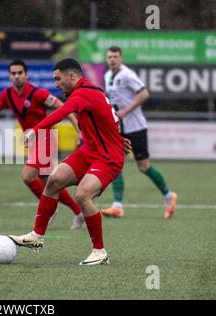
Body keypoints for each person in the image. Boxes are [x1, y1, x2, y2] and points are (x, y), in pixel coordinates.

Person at [9, 58, 127, 265]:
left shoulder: (83, 93)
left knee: (82, 194)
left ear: (71, 76)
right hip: (89, 151)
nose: (56, 84)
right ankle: (36, 236)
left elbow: (62, 112)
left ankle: (100, 252)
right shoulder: (93, 90)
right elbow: (113, 117)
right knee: (54, 179)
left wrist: (35, 131)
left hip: (108, 158)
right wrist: (116, 136)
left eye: (58, 79)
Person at [0, 59, 84, 229]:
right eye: (13, 73)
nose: (17, 76)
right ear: (9, 76)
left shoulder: (38, 93)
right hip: (32, 140)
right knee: (50, 182)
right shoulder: (7, 94)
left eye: (20, 73)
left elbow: (65, 108)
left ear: (26, 74)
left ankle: (49, 209)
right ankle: (78, 212)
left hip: (46, 137)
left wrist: (78, 130)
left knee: (27, 176)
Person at [101, 46, 177, 219]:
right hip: (119, 128)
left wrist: (125, 111)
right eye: (109, 57)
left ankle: (168, 196)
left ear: (121, 58)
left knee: (143, 166)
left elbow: (144, 94)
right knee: (114, 161)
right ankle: (117, 205)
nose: (112, 59)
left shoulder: (127, 75)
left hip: (136, 127)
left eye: (115, 56)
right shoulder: (107, 76)